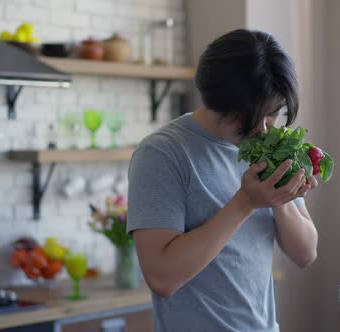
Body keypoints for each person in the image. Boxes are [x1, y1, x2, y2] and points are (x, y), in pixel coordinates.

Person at [127, 29, 319, 332]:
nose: (264, 127)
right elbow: (162, 278)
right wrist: (245, 203)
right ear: (216, 99)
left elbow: (306, 253)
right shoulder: (162, 153)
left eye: (274, 114)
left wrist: (280, 201)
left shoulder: (272, 146)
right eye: (254, 115)